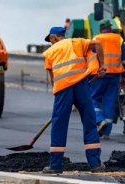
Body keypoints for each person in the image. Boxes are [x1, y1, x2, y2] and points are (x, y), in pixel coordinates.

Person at [42, 26, 107, 174]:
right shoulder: (77, 42)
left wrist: (60, 99)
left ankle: (55, 165)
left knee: (59, 124)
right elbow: (97, 44)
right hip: (81, 85)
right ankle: (95, 164)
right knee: (90, 122)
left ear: (53, 37)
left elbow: (53, 79)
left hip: (63, 89)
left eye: (50, 40)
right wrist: (102, 65)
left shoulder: (50, 52)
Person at [87, 19, 125, 140]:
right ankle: (106, 133)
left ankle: (99, 120)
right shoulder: (119, 39)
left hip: (99, 75)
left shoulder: (95, 39)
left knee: (92, 99)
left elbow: (89, 58)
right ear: (110, 28)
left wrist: (87, 75)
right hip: (114, 76)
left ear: (101, 29)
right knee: (109, 102)